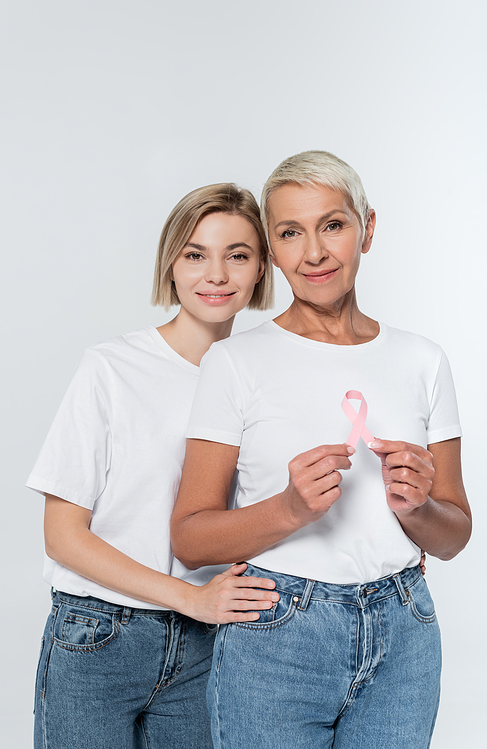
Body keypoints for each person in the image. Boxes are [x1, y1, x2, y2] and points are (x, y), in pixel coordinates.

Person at [171, 152, 472, 749]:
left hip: (403, 635)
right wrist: (289, 509)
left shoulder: (424, 361)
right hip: (275, 636)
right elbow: (190, 535)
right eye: (289, 233)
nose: (314, 252)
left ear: (368, 228)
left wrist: (417, 510)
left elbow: (455, 535)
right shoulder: (235, 363)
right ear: (272, 249)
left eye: (333, 225)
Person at [26, 183, 278, 749]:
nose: (216, 274)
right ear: (171, 264)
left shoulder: (264, 378)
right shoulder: (112, 369)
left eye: (237, 255)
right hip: (99, 635)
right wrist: (187, 596)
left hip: (208, 643)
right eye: (195, 254)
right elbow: (62, 536)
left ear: (261, 268)